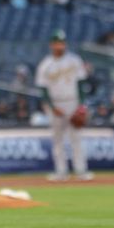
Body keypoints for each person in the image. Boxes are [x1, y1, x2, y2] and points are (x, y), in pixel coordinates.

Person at [34, 30, 93, 182]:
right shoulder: (45, 64)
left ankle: (81, 171)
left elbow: (81, 84)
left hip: (72, 101)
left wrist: (81, 106)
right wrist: (52, 107)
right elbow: (43, 89)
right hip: (55, 103)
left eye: (62, 42)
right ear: (52, 45)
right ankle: (61, 172)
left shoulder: (74, 60)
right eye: (57, 42)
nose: (59, 45)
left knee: (76, 138)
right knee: (57, 139)